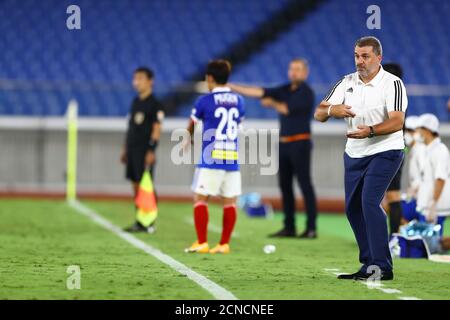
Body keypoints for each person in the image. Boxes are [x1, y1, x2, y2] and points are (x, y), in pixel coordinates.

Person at [314, 36, 407, 281]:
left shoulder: (393, 83)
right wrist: (334, 110)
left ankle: (382, 266)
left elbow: (398, 121)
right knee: (352, 208)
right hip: (355, 152)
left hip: (386, 150)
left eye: (365, 56)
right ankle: (368, 264)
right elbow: (319, 113)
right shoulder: (346, 82)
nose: (359, 61)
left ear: (379, 57)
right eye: (356, 56)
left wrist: (372, 131)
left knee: (368, 202)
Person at [229, 58, 318, 239]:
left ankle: (311, 227)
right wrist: (233, 86)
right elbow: (259, 92)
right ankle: (289, 226)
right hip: (284, 143)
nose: (294, 72)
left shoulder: (306, 92)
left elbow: (286, 109)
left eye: (298, 69)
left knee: (305, 185)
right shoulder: (284, 89)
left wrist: (272, 103)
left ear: (305, 73)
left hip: (300, 142)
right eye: (292, 68)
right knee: (285, 186)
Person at [185, 60, 245, 254]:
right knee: (230, 201)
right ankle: (224, 244)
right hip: (232, 157)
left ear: (210, 78)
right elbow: (239, 125)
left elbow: (192, 122)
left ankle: (202, 242)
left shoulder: (204, 100)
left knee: (200, 198)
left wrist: (188, 137)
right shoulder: (239, 101)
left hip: (211, 157)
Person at [121, 67, 164, 233]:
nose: (136, 82)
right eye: (135, 78)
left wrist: (151, 150)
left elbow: (157, 128)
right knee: (135, 184)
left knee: (146, 185)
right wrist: (125, 148)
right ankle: (140, 220)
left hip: (144, 151)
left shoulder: (155, 104)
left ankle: (149, 221)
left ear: (150, 81)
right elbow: (131, 127)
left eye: (140, 78)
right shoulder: (135, 102)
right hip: (132, 149)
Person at [415, 113, 449, 236]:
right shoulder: (427, 149)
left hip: (435, 206)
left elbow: (440, 178)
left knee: (431, 248)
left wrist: (433, 203)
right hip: (426, 203)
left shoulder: (440, 150)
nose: (417, 132)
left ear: (427, 130)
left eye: (419, 129)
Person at [382, 63, 405, 235]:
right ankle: (393, 236)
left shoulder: (390, 95)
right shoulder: (399, 94)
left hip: (386, 150)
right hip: (394, 149)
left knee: (390, 196)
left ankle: (392, 236)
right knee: (391, 196)